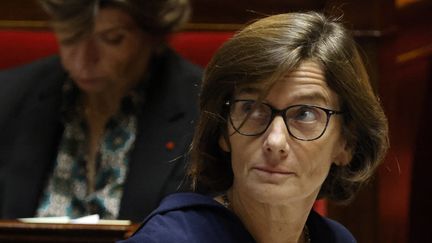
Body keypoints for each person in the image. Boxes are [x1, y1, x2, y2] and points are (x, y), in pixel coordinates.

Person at [120, 11, 389, 242]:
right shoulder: (171, 238)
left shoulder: (334, 239)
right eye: (251, 109)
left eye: (305, 114)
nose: (274, 140)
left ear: (347, 143)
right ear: (224, 131)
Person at [0, 0, 202, 222]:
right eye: (70, 38)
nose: (83, 60)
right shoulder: (10, 96)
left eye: (111, 39)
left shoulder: (204, 108)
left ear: (154, 36)